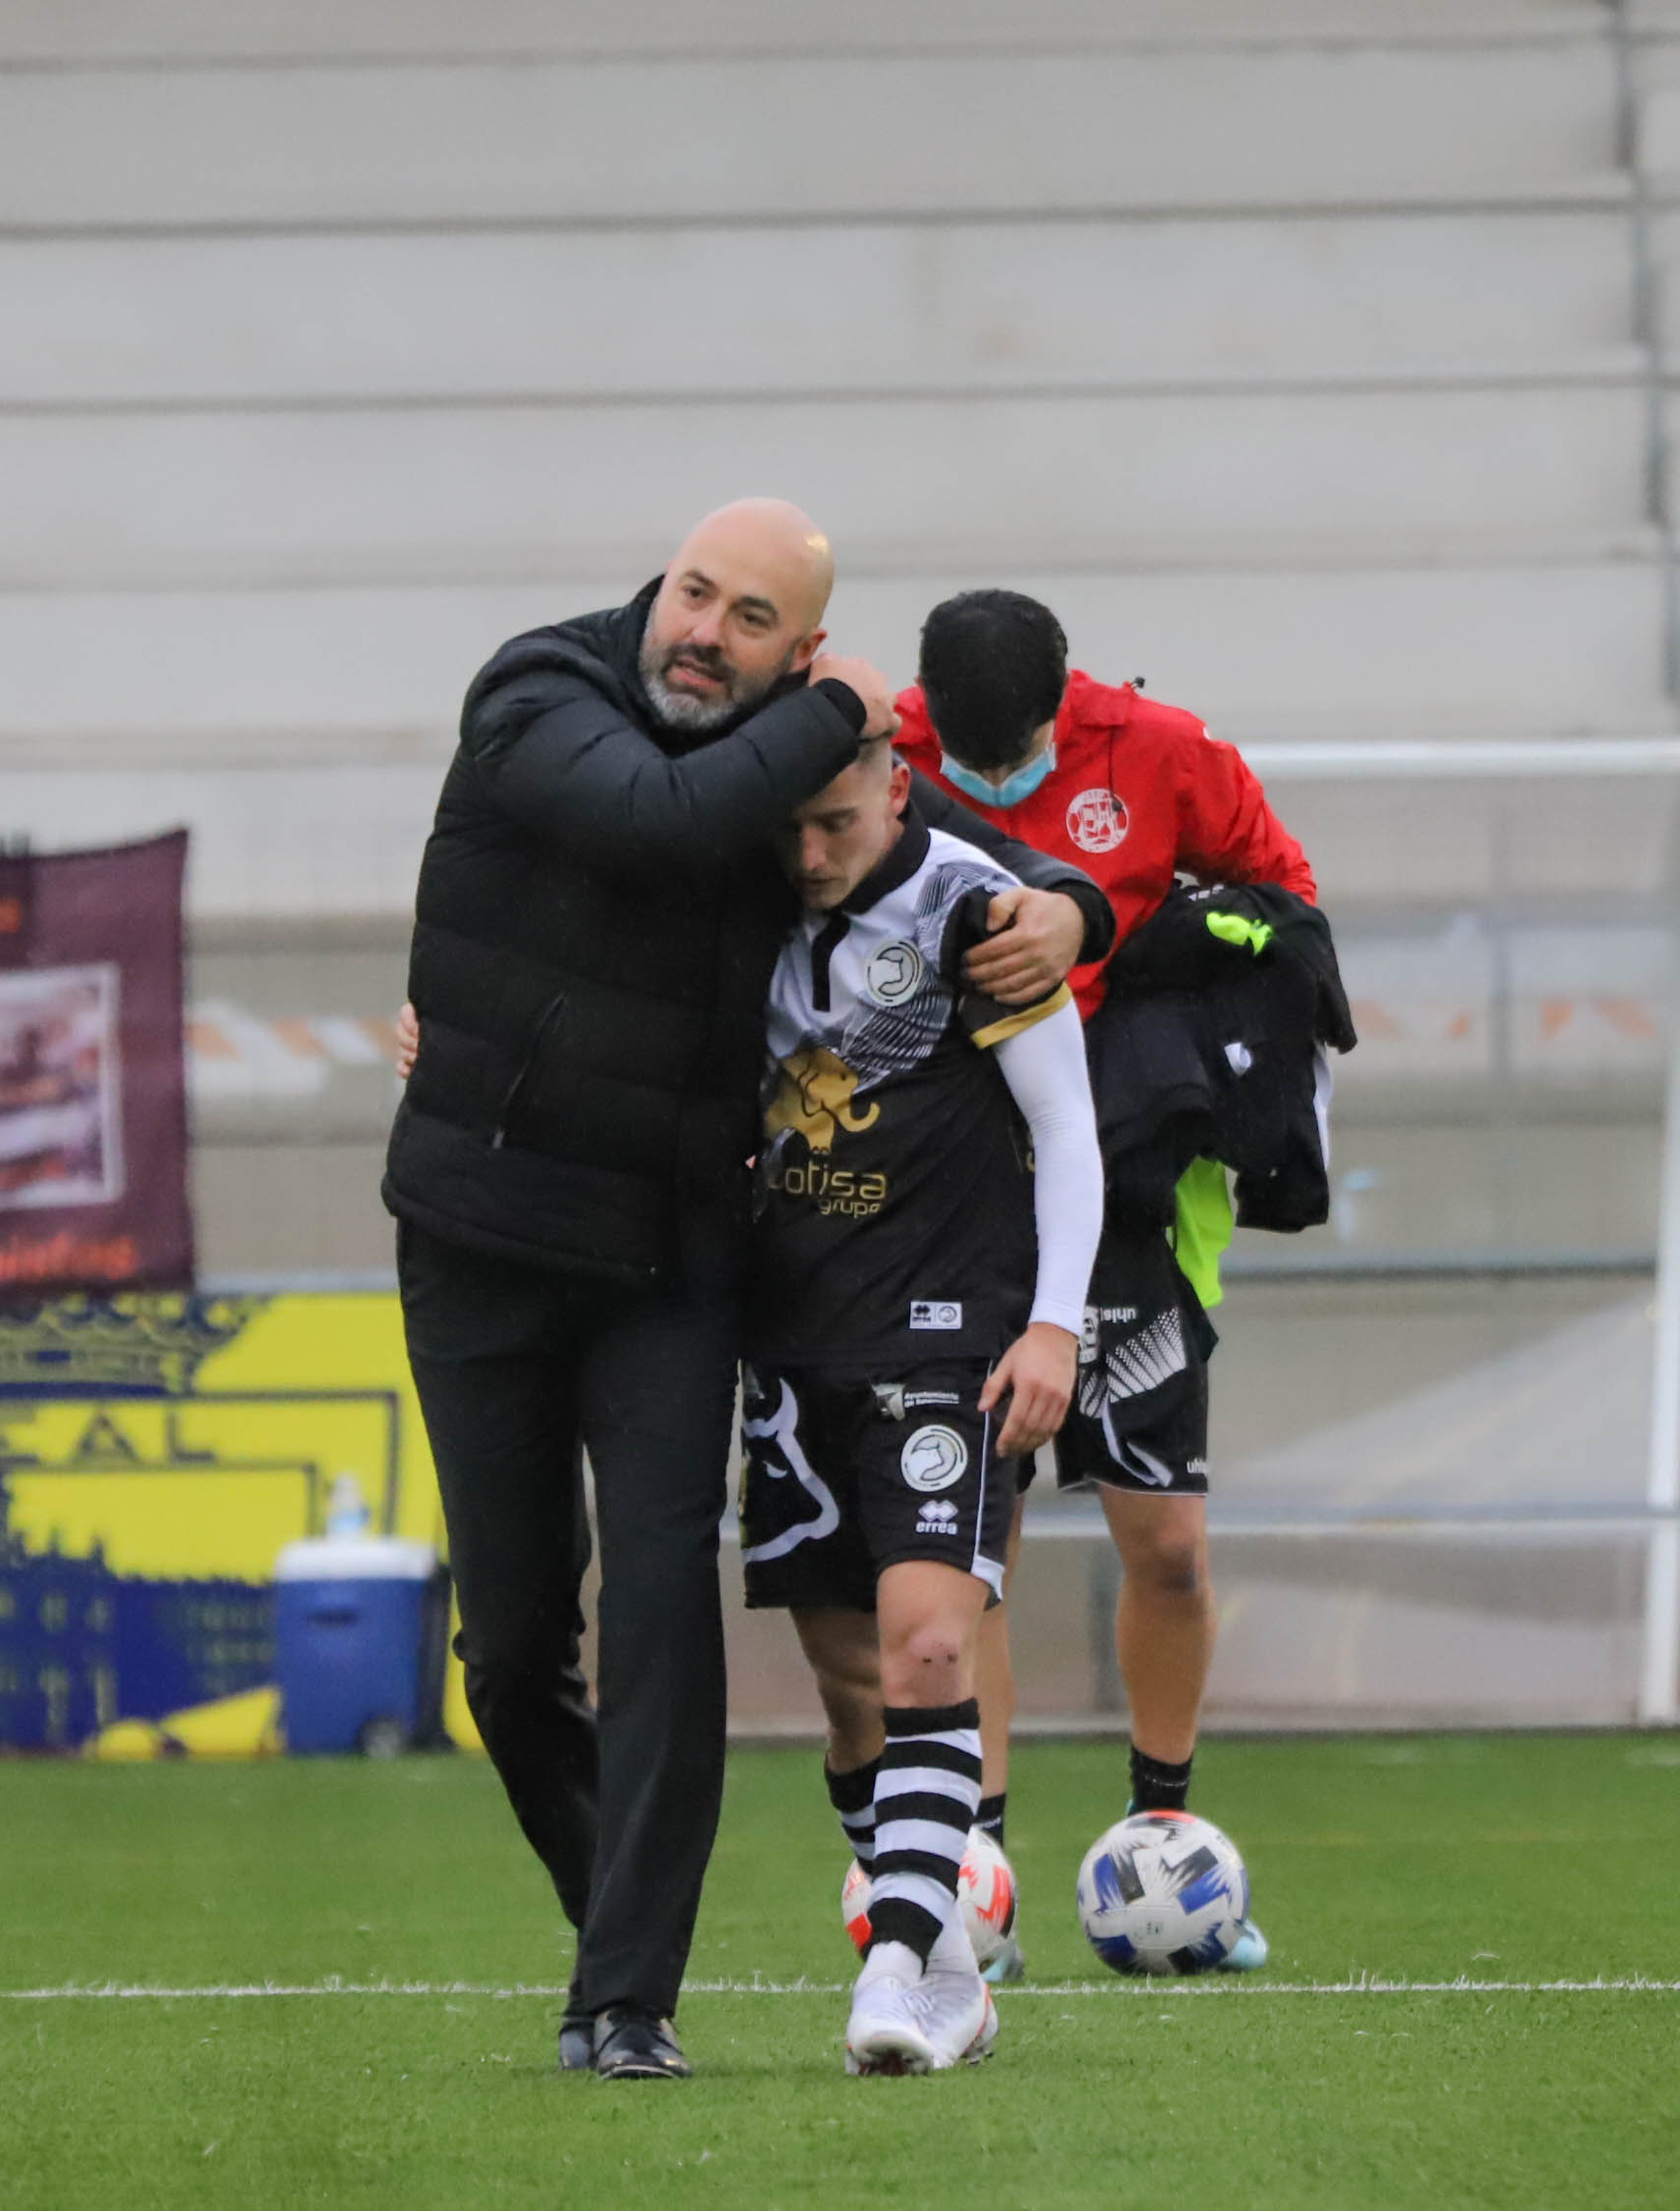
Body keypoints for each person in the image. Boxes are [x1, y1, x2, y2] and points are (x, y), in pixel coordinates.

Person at [382, 503, 1111, 2081]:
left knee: (667, 1603)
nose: (705, 629)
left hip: (673, 1262)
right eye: (696, 593)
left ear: (794, 649)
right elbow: (653, 816)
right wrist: (847, 704)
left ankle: (634, 1992)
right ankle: (624, 1920)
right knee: (512, 1651)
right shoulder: (541, 689)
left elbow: (916, 849)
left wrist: (1074, 900)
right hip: (485, 1236)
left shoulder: (797, 770)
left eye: (751, 614)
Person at [891, 588, 1323, 1978]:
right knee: (977, 1551)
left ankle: (1167, 1837)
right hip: (955, 1183)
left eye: (1006, 757)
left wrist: (1112, 942)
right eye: (962, 759)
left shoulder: (1164, 750)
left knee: (1172, 1543)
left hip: (1129, 1181)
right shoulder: (886, 751)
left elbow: (1288, 905)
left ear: (1064, 703)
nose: (986, 781)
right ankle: (980, 1873)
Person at [735, 738, 1101, 2074]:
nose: (812, 855)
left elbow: (1067, 1126)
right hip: (789, 1353)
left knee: (930, 1652)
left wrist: (1055, 1319)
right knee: (849, 1693)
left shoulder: (975, 911)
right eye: (792, 830)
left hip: (948, 1339)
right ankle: (950, 1960)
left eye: (835, 824)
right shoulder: (740, 897)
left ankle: (892, 1970)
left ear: (898, 784)